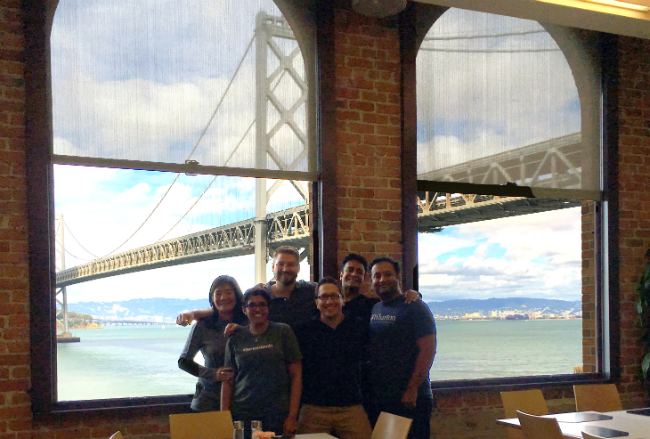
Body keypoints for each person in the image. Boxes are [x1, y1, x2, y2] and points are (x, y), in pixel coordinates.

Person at [294, 277, 373, 439]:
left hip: (351, 408)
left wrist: (412, 294)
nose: (329, 301)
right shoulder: (304, 332)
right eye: (323, 297)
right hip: (313, 409)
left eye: (334, 296)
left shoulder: (358, 328)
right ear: (316, 303)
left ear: (342, 300)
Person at [367, 257, 437, 439]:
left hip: (411, 398)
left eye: (387, 274)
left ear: (398, 277)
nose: (382, 279)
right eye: (377, 276)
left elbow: (428, 350)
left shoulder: (415, 307)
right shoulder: (375, 308)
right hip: (382, 396)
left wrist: (412, 388)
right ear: (371, 280)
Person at [221, 286, 302, 439]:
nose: (257, 308)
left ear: (268, 308)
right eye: (252, 305)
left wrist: (292, 416)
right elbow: (228, 380)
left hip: (277, 413)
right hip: (243, 413)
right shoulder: (235, 338)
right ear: (244, 310)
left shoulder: (283, 332)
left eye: (262, 304)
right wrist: (224, 416)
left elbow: (296, 375)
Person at [176, 246, 317, 330]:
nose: (285, 269)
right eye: (280, 264)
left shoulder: (311, 290)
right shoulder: (260, 295)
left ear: (298, 268)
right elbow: (228, 307)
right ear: (273, 267)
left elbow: (332, 297)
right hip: (271, 367)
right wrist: (192, 315)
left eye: (291, 264)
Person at [177, 275, 248, 412]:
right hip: (209, 399)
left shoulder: (248, 323)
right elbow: (183, 361)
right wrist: (213, 374)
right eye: (218, 293)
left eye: (228, 292)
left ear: (237, 295)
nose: (223, 297)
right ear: (212, 299)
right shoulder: (203, 326)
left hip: (244, 397)